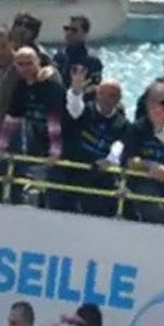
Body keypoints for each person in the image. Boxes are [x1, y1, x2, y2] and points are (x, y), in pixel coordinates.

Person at [0, 47, 65, 205]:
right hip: (38, 140)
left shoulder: (51, 86)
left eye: (29, 63)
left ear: (38, 62)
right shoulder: (20, 87)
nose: (25, 68)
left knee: (56, 192)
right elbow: (12, 118)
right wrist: (2, 144)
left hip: (61, 142)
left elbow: (55, 121)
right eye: (21, 64)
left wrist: (55, 151)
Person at [59, 66, 127, 217]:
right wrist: (76, 91)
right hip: (73, 169)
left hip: (99, 175)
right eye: (104, 94)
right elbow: (74, 108)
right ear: (97, 94)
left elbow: (120, 145)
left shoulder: (122, 123)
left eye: (113, 95)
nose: (107, 99)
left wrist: (110, 160)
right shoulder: (86, 111)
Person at [121, 82, 164, 225]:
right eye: (162, 102)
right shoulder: (137, 128)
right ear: (149, 103)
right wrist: (150, 167)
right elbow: (130, 159)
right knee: (153, 206)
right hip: (144, 181)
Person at [52, 15, 102, 92]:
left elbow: (95, 87)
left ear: (85, 34)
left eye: (74, 30)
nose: (69, 33)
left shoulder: (93, 60)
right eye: (67, 29)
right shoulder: (59, 55)